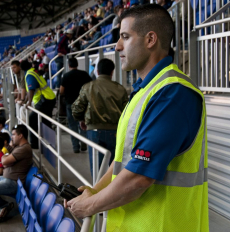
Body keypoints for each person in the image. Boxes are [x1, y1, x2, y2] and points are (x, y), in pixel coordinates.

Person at [65, 5, 208, 232]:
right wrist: (96, 189)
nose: (118, 46)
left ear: (150, 39)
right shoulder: (145, 90)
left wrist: (90, 205)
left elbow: (139, 177)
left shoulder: (173, 94)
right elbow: (125, 159)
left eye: (125, 37)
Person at [72, 58, 128, 176]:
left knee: (97, 169)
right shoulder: (120, 89)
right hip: (116, 132)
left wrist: (81, 120)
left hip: (94, 131)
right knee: (115, 168)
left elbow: (76, 109)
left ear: (97, 71)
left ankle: (98, 192)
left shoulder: (88, 87)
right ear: (112, 72)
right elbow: (127, 112)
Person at [0, 125, 32, 223]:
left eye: (13, 135)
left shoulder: (24, 149)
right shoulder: (19, 147)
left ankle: (4, 207)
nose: (11, 137)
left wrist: (5, 158)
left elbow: (4, 161)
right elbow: (8, 159)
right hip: (6, 178)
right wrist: (9, 150)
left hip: (13, 182)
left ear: (20, 135)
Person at [20, 60, 56, 149]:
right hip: (48, 98)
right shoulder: (33, 71)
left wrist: (28, 102)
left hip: (45, 99)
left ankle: (35, 144)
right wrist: (26, 100)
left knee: (32, 120)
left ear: (21, 68)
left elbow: (31, 89)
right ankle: (49, 144)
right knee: (46, 121)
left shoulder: (29, 74)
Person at [60, 57, 92, 153]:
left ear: (69, 65)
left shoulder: (66, 76)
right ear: (77, 64)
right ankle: (83, 143)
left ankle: (75, 147)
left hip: (70, 104)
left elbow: (61, 91)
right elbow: (91, 86)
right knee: (83, 123)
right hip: (83, 103)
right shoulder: (84, 74)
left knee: (72, 125)